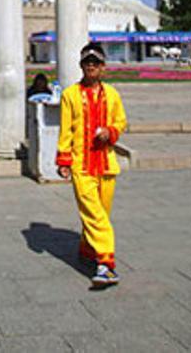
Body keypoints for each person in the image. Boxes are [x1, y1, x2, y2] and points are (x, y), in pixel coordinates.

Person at [56, 43, 127, 287]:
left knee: (101, 212)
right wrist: (63, 159)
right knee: (95, 215)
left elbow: (121, 121)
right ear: (81, 66)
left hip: (106, 164)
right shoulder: (70, 95)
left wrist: (111, 132)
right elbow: (66, 130)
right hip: (81, 165)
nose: (91, 66)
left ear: (103, 67)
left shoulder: (112, 94)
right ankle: (106, 264)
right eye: (87, 62)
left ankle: (87, 251)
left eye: (96, 63)